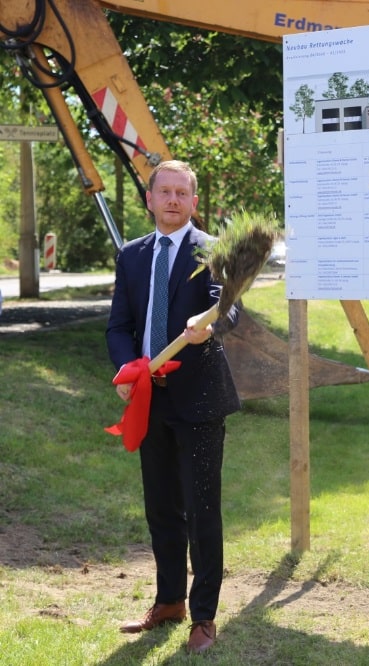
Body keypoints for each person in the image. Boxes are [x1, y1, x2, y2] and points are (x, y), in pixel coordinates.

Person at [106, 159, 241, 655]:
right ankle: (169, 601)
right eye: (164, 192)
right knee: (161, 506)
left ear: (193, 201)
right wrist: (127, 369)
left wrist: (210, 325)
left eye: (182, 193)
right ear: (150, 199)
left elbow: (230, 308)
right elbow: (119, 326)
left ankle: (203, 617)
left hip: (199, 399)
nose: (173, 200)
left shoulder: (212, 251)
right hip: (150, 398)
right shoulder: (132, 255)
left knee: (201, 510)